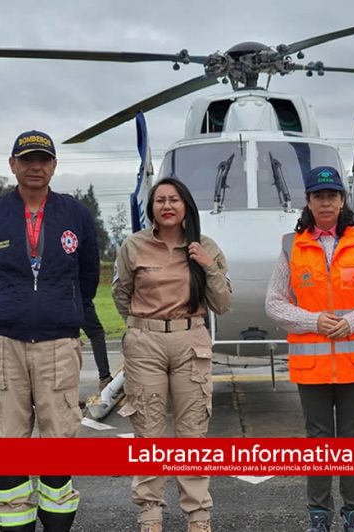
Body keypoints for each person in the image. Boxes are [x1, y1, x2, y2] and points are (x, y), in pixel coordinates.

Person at [0, 130, 100, 532]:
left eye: (43, 159)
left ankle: (57, 525)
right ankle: (17, 524)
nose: (35, 166)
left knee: (59, 440)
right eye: (27, 159)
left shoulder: (75, 214)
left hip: (59, 342)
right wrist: (9, 306)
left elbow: (88, 275)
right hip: (6, 342)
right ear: (13, 165)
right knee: (10, 441)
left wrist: (62, 308)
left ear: (54, 166)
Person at [265, 166, 354, 532]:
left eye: (332, 195)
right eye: (318, 196)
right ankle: (318, 516)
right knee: (318, 440)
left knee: (352, 438)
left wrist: (352, 322)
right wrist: (312, 321)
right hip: (313, 368)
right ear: (308, 201)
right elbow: (274, 303)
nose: (326, 202)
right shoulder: (291, 246)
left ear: (342, 200)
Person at [112, 177, 232, 532]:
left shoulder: (205, 246)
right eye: (160, 200)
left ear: (186, 207)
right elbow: (123, 295)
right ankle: (150, 514)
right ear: (151, 208)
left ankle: (197, 515)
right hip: (145, 342)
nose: (167, 205)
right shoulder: (133, 246)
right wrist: (141, 327)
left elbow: (222, 304)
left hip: (190, 341)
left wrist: (207, 265)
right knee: (148, 431)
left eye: (174, 199)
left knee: (192, 433)